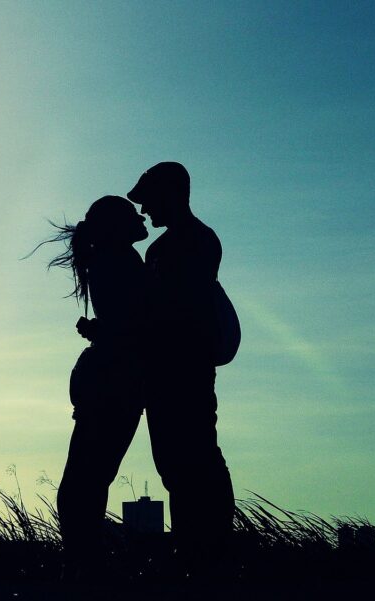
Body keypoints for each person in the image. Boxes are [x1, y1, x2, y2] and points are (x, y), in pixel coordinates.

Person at [127, 162, 235, 571]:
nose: (145, 211)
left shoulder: (196, 242)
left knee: (197, 459)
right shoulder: (167, 247)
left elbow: (174, 308)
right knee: (176, 463)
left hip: (185, 369)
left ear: (170, 196)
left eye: (150, 200)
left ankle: (210, 552)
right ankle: (195, 549)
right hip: (163, 371)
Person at [36, 195, 149, 580]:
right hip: (114, 382)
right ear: (118, 226)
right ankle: (84, 564)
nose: (141, 217)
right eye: (132, 214)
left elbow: (122, 323)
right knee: (88, 477)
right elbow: (131, 325)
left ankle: (83, 560)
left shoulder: (111, 261)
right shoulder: (120, 261)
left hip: (108, 379)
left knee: (87, 477)